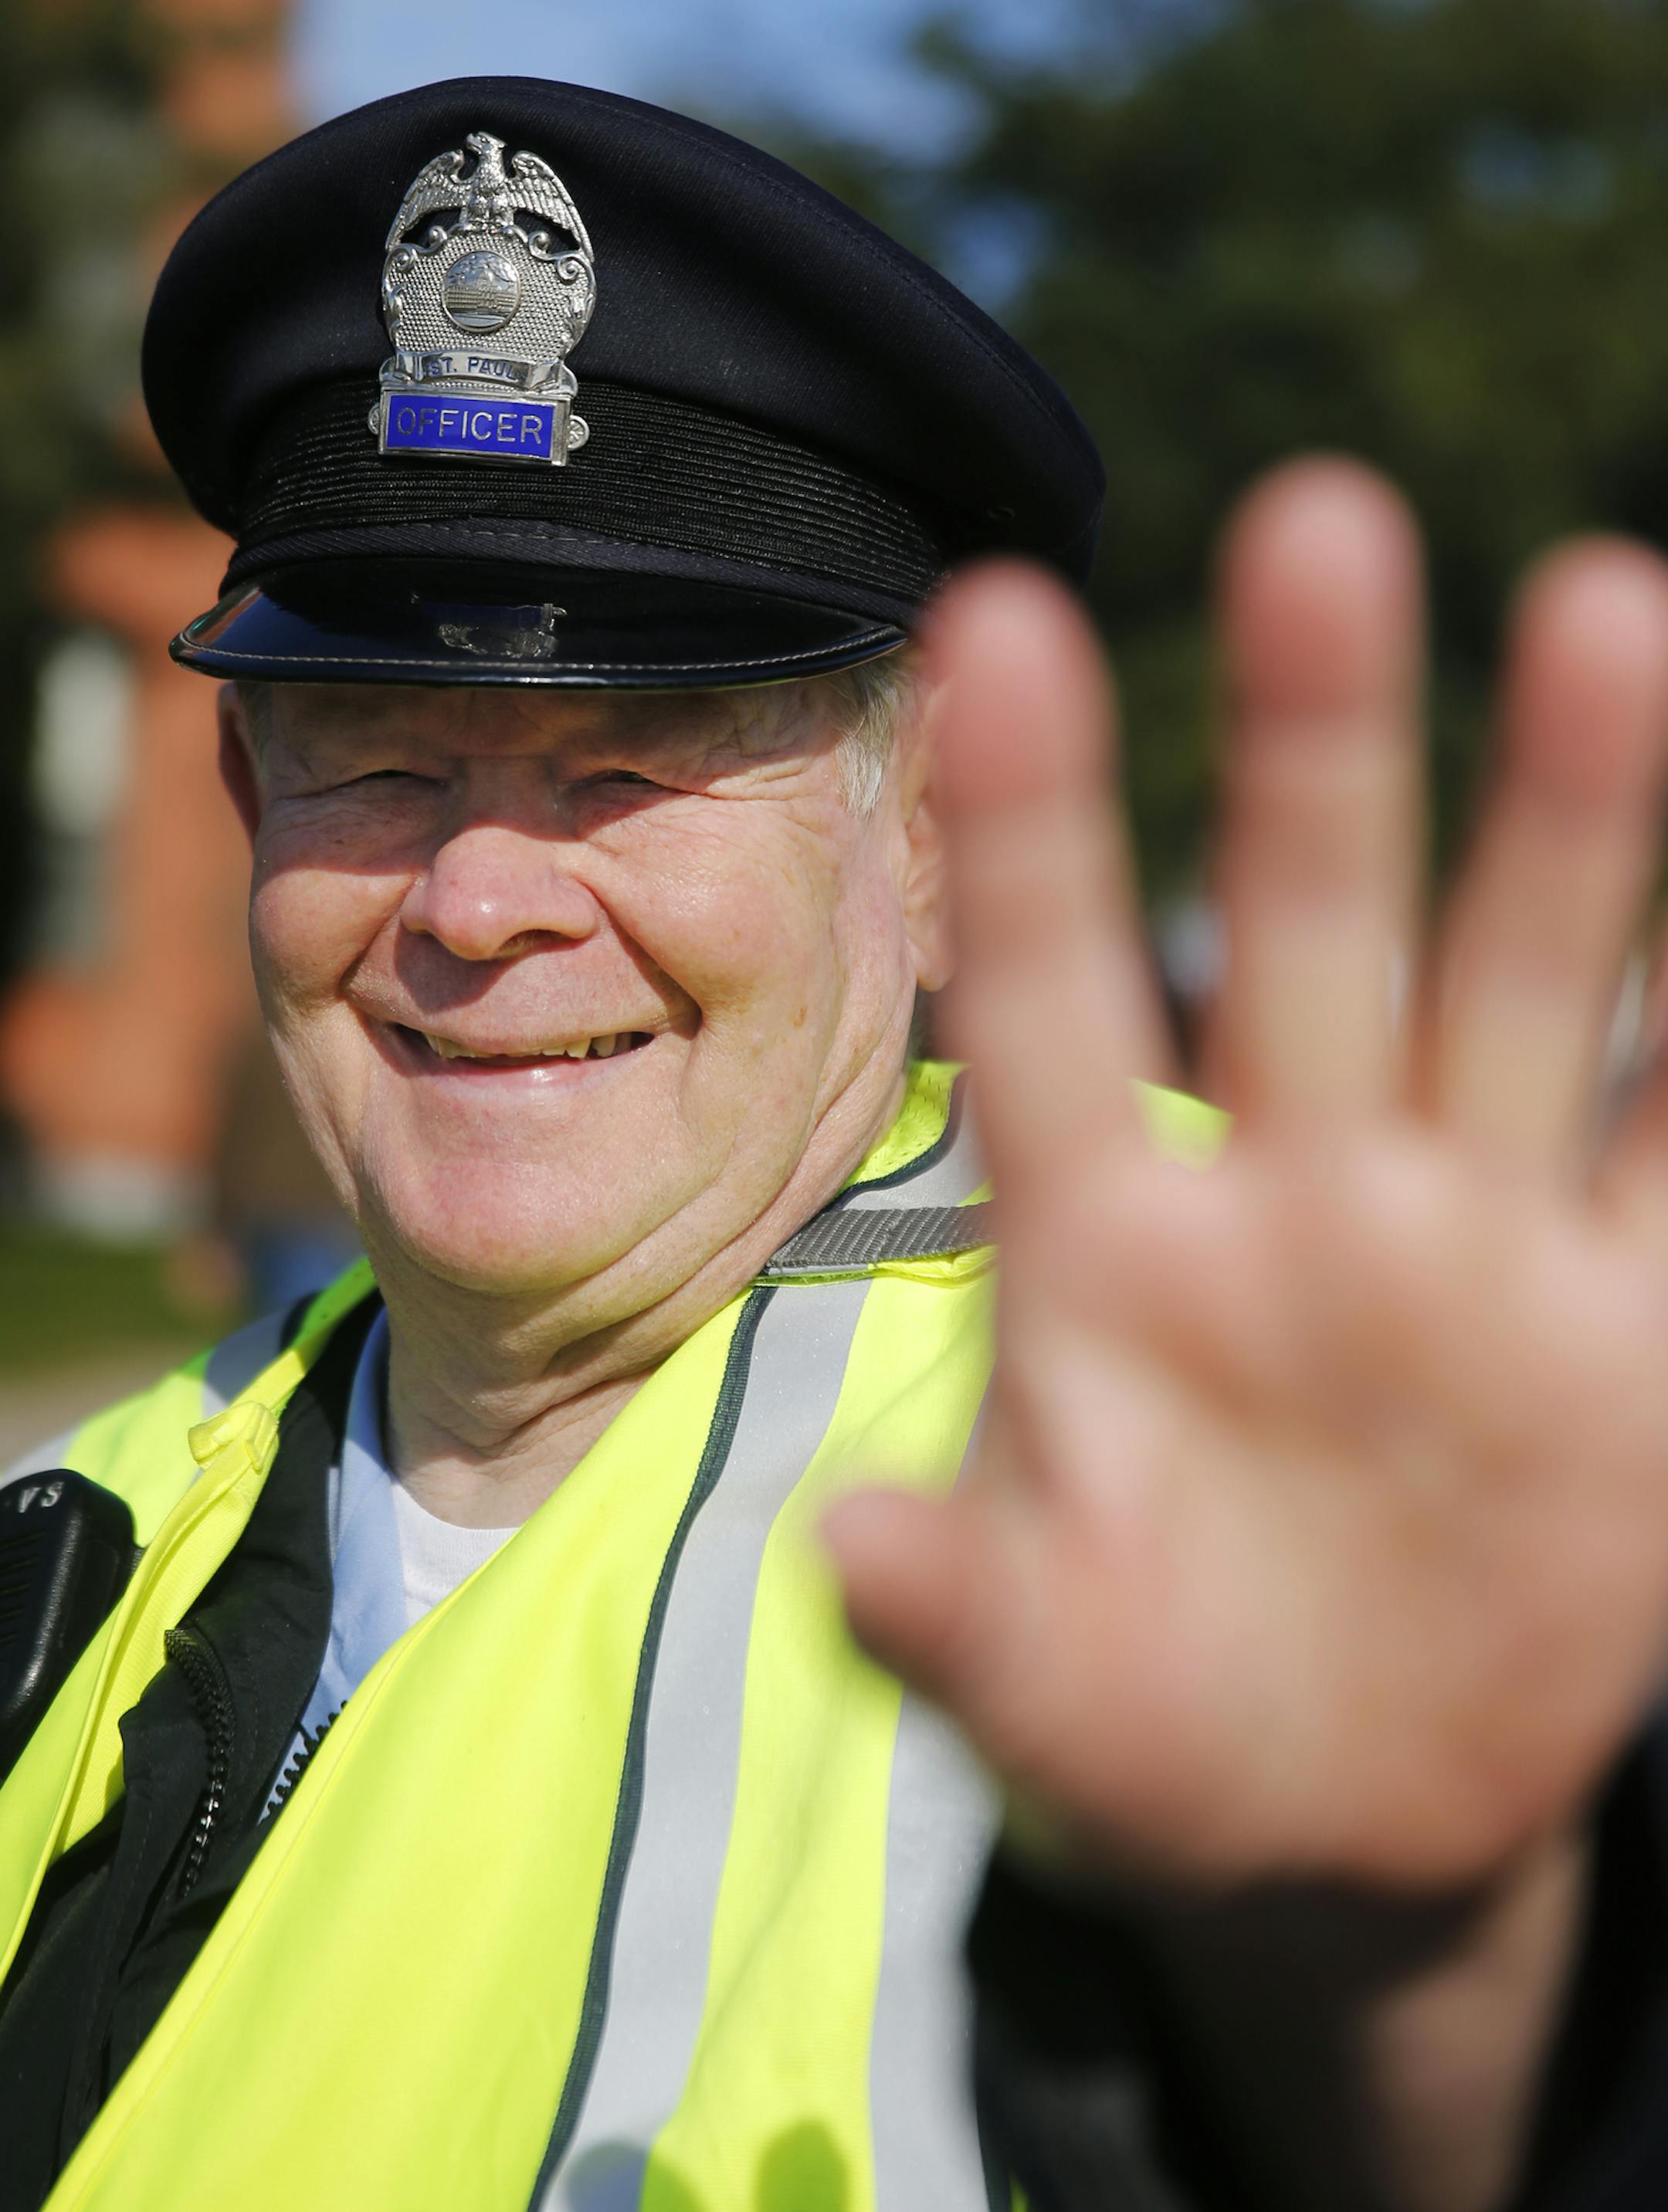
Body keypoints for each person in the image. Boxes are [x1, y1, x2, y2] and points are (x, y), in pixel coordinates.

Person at [5, 69, 1668, 2212]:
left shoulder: (1219, 1432)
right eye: (383, 753)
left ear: (936, 836)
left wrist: (1433, 2000)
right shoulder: (86, 1518)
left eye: (634, 761)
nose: (481, 895)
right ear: (246, 809)